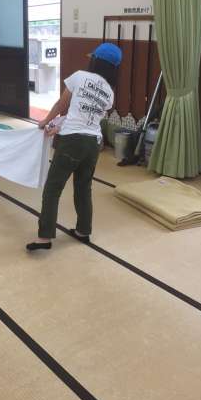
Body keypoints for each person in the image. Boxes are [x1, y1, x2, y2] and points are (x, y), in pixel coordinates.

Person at [26, 43, 122, 251]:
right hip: (93, 144)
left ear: (95, 60)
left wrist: (46, 121)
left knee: (53, 188)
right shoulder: (109, 92)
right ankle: (83, 231)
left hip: (72, 142)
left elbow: (62, 105)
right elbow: (85, 118)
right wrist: (58, 126)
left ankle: (44, 238)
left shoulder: (79, 76)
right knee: (83, 188)